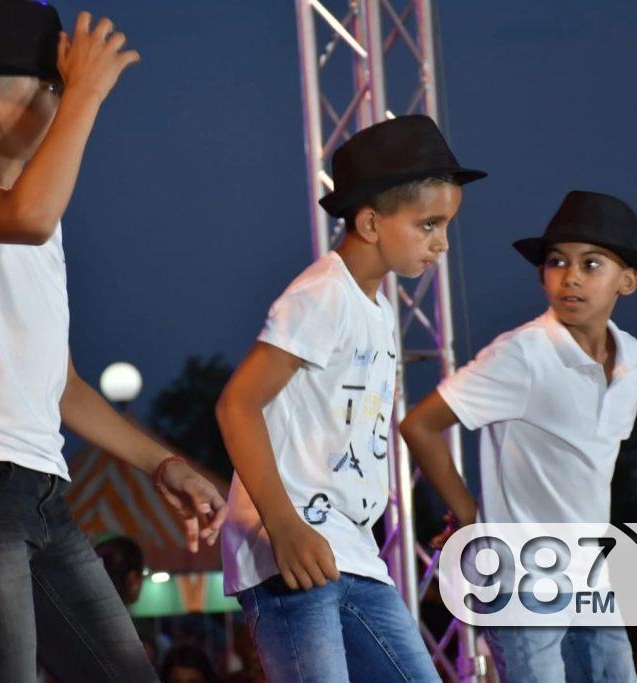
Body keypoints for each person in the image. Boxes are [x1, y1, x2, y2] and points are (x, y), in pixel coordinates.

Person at [0, 3, 226, 681]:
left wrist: (165, 464)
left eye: (62, 85)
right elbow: (30, 215)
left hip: (41, 490)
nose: (60, 96)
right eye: (49, 83)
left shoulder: (40, 221)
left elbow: (64, 387)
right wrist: (88, 93)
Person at [217, 115, 485, 681]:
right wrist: (283, 525)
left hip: (352, 548)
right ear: (369, 221)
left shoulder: (377, 308)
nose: (441, 243)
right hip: (292, 542)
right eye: (429, 224)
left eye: (446, 226)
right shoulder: (323, 294)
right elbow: (237, 405)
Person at [401, 190, 637, 681]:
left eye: (591, 264)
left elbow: (586, 466)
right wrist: (472, 519)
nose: (571, 276)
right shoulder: (523, 353)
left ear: (627, 280)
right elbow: (420, 425)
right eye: (557, 262)